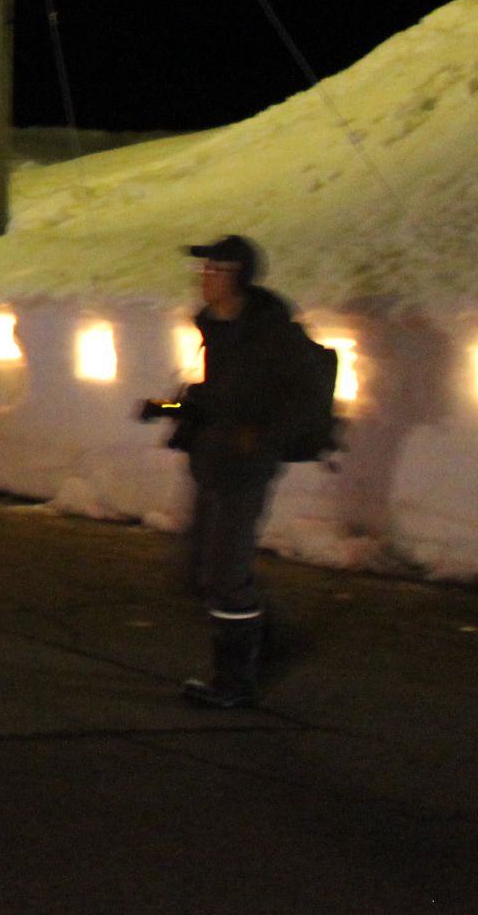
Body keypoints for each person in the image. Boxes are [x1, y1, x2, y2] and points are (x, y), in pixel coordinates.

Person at [161, 234, 312, 708]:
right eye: (203, 270)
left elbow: (303, 400)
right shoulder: (217, 330)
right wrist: (164, 406)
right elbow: (210, 398)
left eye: (216, 270)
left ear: (240, 278)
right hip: (211, 461)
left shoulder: (273, 334)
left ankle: (234, 683)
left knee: (225, 574)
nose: (204, 278)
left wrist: (261, 438)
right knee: (202, 573)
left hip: (244, 469)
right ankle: (265, 640)